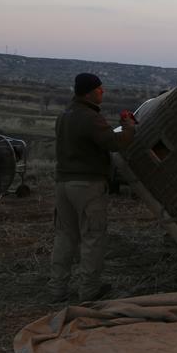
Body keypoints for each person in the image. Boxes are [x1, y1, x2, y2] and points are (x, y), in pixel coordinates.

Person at [47, 73, 136, 304]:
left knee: (65, 236)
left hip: (63, 184)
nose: (102, 92)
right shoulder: (90, 117)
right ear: (89, 92)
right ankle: (88, 292)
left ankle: (57, 290)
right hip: (87, 185)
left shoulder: (64, 115)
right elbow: (115, 144)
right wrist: (129, 128)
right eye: (99, 89)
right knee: (93, 237)